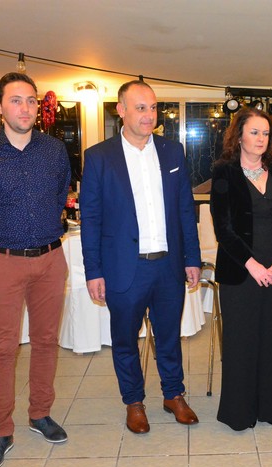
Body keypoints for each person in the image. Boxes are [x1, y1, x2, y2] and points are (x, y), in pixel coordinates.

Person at [0, 72, 71, 467]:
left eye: (31, 100)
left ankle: (40, 413)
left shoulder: (54, 151)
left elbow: (60, 194)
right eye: (16, 100)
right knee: (3, 349)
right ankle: (0, 431)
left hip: (51, 259)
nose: (25, 108)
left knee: (47, 341)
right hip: (2, 261)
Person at [80, 80, 201, 435]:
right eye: (141, 107)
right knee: (125, 341)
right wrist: (93, 271)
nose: (150, 115)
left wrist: (192, 257)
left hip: (167, 266)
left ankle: (173, 394)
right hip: (123, 267)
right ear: (121, 110)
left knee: (169, 336)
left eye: (153, 107)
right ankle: (133, 401)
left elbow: (185, 209)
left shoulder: (172, 152)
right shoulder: (99, 157)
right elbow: (91, 218)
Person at [210, 106, 272, 431]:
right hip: (241, 271)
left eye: (265, 133)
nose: (261, 138)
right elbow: (223, 228)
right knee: (242, 341)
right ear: (239, 136)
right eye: (254, 132)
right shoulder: (224, 171)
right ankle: (240, 412)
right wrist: (253, 266)